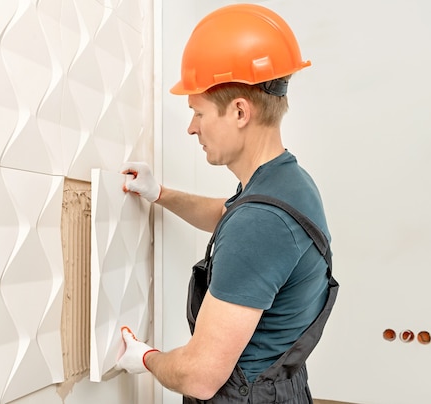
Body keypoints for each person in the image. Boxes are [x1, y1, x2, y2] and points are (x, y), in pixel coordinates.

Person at [115, 4, 338, 404]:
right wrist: (159, 193)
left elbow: (200, 377)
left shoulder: (260, 225)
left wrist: (145, 358)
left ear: (239, 111)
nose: (191, 127)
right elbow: (227, 214)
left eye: (198, 112)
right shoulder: (288, 183)